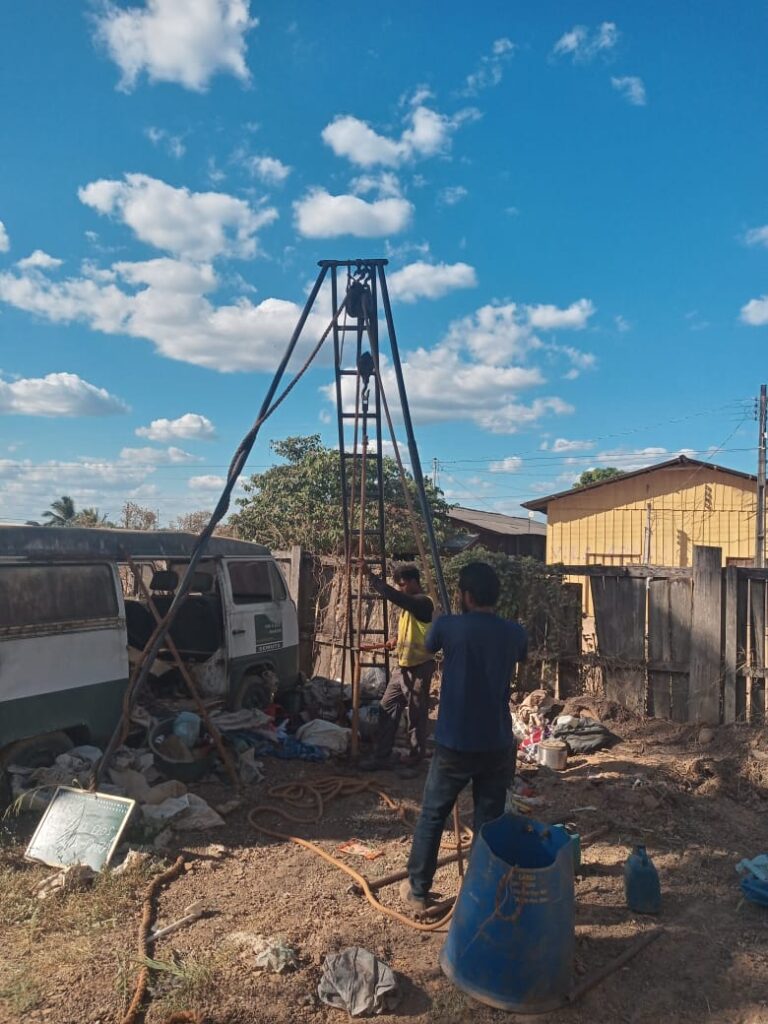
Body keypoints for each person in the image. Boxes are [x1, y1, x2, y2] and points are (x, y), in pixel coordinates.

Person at [400, 561, 528, 910]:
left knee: (432, 814)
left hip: (455, 743)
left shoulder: (448, 626)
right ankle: (480, 892)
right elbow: (520, 652)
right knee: (488, 819)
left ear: (466, 595)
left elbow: (428, 643)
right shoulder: (514, 632)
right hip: (497, 744)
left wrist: (445, 615)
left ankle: (418, 891)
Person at [359, 563, 435, 770]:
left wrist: (370, 576)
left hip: (419, 668)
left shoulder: (422, 603)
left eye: (402, 585)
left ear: (412, 582)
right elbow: (410, 633)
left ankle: (415, 758)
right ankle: (382, 755)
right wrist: (394, 641)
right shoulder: (410, 608)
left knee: (416, 716)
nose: (400, 589)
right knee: (387, 707)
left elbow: (396, 597)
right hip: (403, 668)